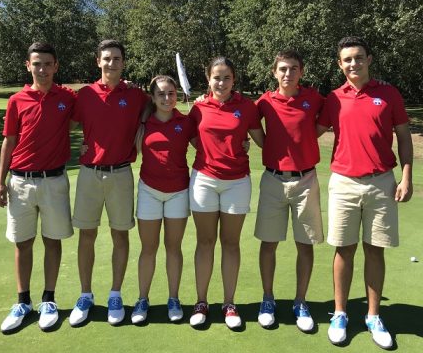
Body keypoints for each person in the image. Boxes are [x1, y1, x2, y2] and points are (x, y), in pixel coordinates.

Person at [318, 36, 413, 349]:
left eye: (358, 58)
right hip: (343, 182)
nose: (353, 64)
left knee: (375, 249)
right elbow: (307, 131)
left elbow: (403, 137)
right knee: (344, 249)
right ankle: (340, 313)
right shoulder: (333, 98)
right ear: (339, 64)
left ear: (369, 59)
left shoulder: (388, 94)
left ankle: (373, 316)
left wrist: (407, 177)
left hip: (381, 181)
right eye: (347, 60)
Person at [0, 42, 75, 333]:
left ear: (56, 66)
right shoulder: (17, 100)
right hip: (20, 182)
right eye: (36, 64)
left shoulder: (67, 98)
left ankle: (49, 300)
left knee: (53, 240)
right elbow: (9, 141)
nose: (42, 69)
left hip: (54, 180)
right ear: (28, 66)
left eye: (47, 64)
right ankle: (23, 301)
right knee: (23, 242)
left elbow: (93, 108)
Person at [68, 39, 148, 326]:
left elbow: (160, 105)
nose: (111, 63)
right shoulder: (85, 95)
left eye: (116, 58)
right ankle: (86, 294)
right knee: (86, 234)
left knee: (120, 235)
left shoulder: (137, 95)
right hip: (89, 173)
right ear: (97, 62)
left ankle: (115, 294)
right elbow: (67, 123)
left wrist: (200, 101)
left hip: (121, 173)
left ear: (123, 63)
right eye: (106, 58)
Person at [188, 57, 264, 329]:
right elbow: (193, 139)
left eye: (227, 77)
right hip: (204, 181)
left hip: (237, 182)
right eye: (216, 77)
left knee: (231, 243)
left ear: (234, 80)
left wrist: (244, 146)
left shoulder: (246, 107)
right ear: (208, 79)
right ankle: (201, 302)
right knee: (205, 242)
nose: (221, 82)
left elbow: (262, 140)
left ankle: (229, 304)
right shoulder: (197, 107)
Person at [253, 50, 325, 332]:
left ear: (301, 72)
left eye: (294, 68)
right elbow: (244, 119)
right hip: (273, 180)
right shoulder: (264, 102)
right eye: (283, 69)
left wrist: (305, 139)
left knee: (304, 244)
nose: (288, 74)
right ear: (274, 72)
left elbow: (323, 123)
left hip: (306, 180)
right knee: (268, 243)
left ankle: (300, 301)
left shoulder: (314, 99)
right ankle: (267, 299)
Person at [129, 75, 194, 324]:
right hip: (149, 191)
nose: (167, 98)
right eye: (161, 94)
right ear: (153, 98)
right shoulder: (143, 122)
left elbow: (208, 146)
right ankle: (142, 299)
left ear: (177, 95)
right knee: (148, 248)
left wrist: (240, 144)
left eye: (171, 93)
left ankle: (173, 299)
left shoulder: (185, 122)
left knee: (173, 248)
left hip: (179, 191)